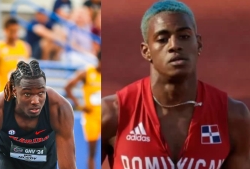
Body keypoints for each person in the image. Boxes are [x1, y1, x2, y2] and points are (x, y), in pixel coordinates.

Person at [101, 1, 250, 169]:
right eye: (162, 39)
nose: (174, 45)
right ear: (146, 51)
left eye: (184, 36)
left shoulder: (233, 117)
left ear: (198, 43)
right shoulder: (113, 114)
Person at [0, 60, 76, 169]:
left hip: (44, 159)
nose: (35, 101)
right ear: (14, 91)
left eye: (41, 93)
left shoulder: (59, 108)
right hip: (5, 157)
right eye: (27, 94)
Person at [65, 51, 101, 169]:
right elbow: (67, 86)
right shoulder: (87, 72)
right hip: (91, 117)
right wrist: (79, 105)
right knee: (92, 152)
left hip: (105, 116)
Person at [0, 17, 31, 97]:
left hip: (20, 95)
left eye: (16, 31)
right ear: (5, 30)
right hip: (3, 93)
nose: (14, 34)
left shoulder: (25, 47)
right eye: (12, 31)